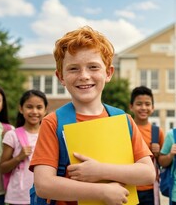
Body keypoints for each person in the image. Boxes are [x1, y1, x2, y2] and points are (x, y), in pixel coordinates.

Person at [29, 26, 155, 205]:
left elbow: (148, 173)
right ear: (61, 77)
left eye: (93, 67)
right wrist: (102, 192)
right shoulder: (53, 122)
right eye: (73, 69)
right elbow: (44, 184)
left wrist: (100, 171)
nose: (84, 76)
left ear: (108, 73)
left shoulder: (123, 120)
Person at [0, 89, 48, 204]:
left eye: (39, 107)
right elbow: (2, 168)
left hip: (43, 194)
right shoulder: (12, 135)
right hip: (18, 197)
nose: (34, 111)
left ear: (45, 110)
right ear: (21, 109)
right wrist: (19, 157)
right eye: (29, 107)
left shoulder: (49, 135)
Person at [130, 86, 165, 205]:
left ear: (153, 108)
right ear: (131, 106)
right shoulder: (125, 129)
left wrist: (158, 153)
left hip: (150, 189)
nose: (143, 108)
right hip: (128, 187)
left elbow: (163, 161)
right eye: (139, 104)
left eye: (147, 104)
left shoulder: (157, 132)